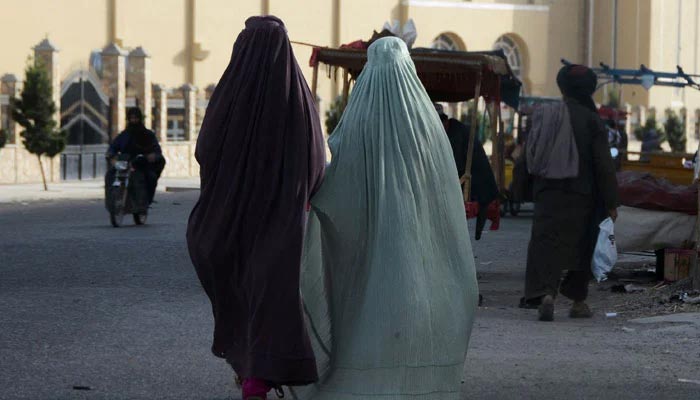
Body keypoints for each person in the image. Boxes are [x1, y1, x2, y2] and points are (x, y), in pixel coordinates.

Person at [293, 37, 478, 400]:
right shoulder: (430, 128)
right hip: (424, 270)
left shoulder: (355, 124)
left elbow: (333, 193)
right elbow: (446, 201)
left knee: (366, 329)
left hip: (369, 271)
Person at [185, 16, 325, 400]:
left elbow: (205, 150)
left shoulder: (230, 94)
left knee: (242, 288)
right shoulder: (298, 98)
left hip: (231, 217)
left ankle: (253, 373)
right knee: (271, 292)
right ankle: (257, 376)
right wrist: (298, 192)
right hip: (281, 219)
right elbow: (316, 161)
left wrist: (230, 184)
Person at [522, 64, 618, 321]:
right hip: (582, 196)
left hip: (547, 194)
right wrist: (611, 202)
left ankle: (546, 294)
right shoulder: (591, 120)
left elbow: (526, 156)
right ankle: (578, 301)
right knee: (582, 245)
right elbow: (604, 165)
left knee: (545, 244)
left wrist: (517, 190)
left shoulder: (542, 114)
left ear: (561, 86)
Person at [434, 103, 499, 239]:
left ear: (443, 122)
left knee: (480, 202)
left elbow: (457, 165)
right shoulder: (456, 129)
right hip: (477, 179)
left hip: (476, 179)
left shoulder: (457, 134)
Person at [106, 107, 165, 204]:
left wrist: (152, 156)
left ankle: (146, 201)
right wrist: (112, 156)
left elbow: (156, 150)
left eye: (136, 118)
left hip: (142, 163)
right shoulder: (124, 135)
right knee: (109, 175)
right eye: (131, 118)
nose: (134, 120)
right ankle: (112, 202)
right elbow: (113, 147)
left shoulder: (148, 134)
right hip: (125, 163)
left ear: (140, 119)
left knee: (151, 177)